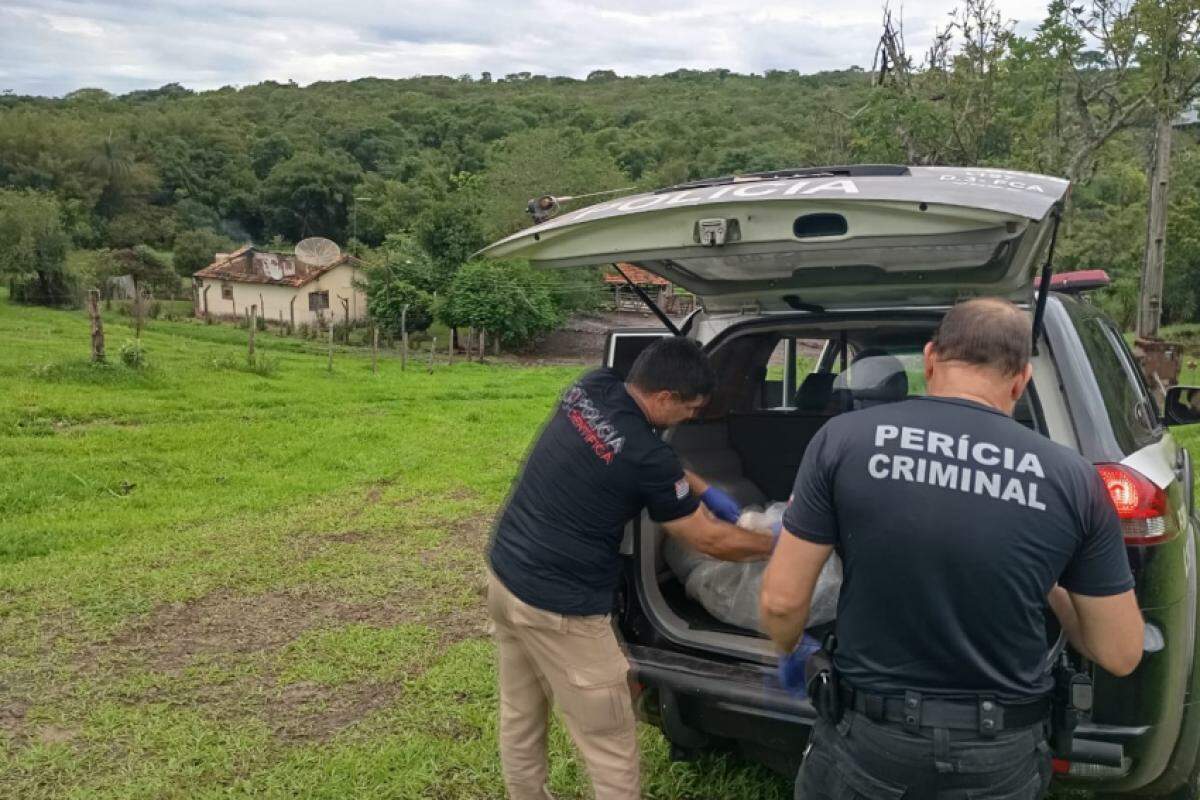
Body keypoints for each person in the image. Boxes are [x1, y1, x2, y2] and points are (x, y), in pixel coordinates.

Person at [759, 297, 1145, 799]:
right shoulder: (1073, 478)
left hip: (871, 737)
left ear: (929, 359)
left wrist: (788, 648)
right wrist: (1045, 578)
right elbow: (1118, 652)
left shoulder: (842, 440)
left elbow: (782, 602)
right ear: (1021, 379)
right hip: (1000, 751)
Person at [487, 336, 772, 800]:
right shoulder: (647, 458)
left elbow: (657, 460)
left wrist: (709, 493)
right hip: (563, 609)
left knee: (520, 714)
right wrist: (782, 545)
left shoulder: (591, 387)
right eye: (691, 409)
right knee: (610, 744)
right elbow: (710, 540)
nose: (693, 418)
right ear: (664, 398)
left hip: (505, 579)